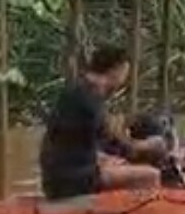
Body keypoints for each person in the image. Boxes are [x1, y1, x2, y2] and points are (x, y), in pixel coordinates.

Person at [39, 45, 168, 200]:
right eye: (125, 73)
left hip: (58, 176)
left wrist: (109, 158)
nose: (124, 80)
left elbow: (84, 142)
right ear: (116, 69)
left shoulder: (76, 91)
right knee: (151, 175)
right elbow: (113, 142)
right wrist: (145, 146)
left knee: (119, 165)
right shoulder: (89, 97)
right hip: (74, 179)